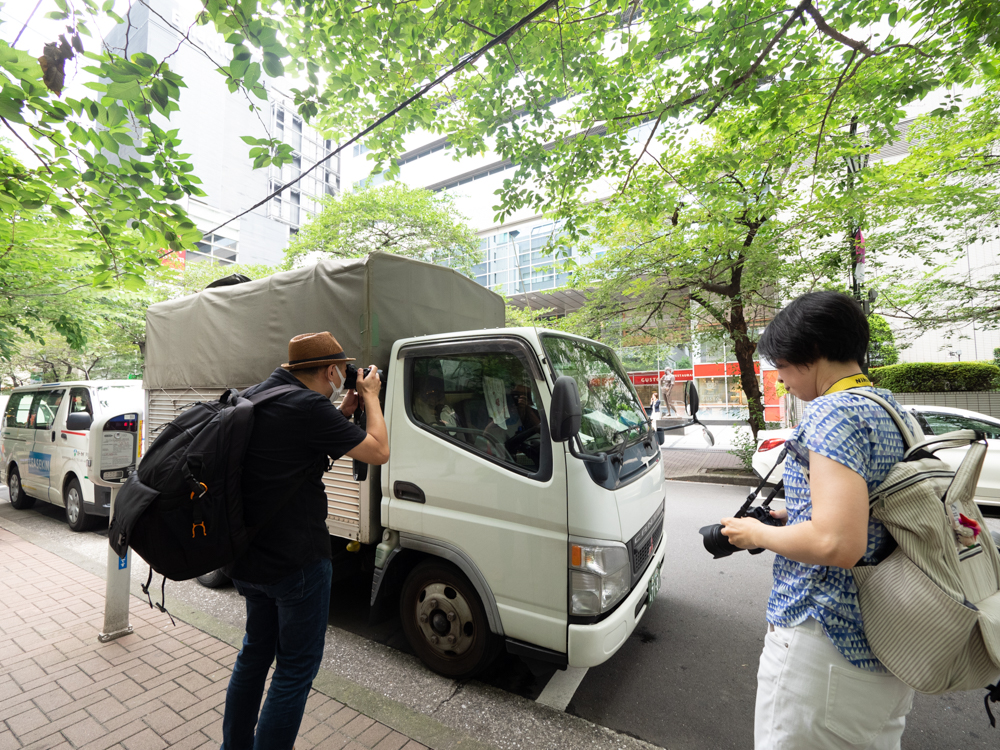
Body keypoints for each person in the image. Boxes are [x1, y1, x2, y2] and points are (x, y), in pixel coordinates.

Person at [719, 291, 918, 750]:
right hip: (884, 645)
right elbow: (873, 509)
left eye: (782, 366)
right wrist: (794, 512)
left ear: (811, 353)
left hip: (823, 640)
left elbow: (837, 543)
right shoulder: (890, 409)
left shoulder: (832, 412)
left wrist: (758, 533)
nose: (781, 379)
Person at [220, 331, 390, 750]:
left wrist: (341, 408)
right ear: (331, 370)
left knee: (254, 656)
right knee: (294, 671)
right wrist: (369, 396)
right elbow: (379, 451)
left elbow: (292, 449)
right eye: (342, 372)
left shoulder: (258, 395)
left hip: (246, 557)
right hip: (296, 562)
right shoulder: (309, 408)